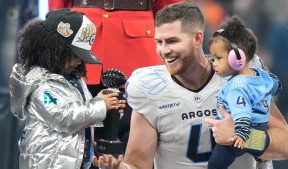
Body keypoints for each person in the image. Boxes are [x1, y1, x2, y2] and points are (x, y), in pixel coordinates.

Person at [92, 2, 288, 169]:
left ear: (197, 38)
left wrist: (243, 137)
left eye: (172, 41)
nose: (164, 50)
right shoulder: (149, 87)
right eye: (159, 42)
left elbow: (285, 144)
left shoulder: (238, 75)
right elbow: (137, 164)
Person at [48, 0, 184, 155]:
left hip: (137, 45)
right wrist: (57, 34)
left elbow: (170, 8)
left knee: (139, 142)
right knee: (76, 141)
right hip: (81, 38)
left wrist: (174, 39)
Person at [9, 9, 126, 169]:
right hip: (48, 164)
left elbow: (82, 113)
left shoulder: (73, 78)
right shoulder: (39, 84)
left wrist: (109, 109)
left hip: (75, 162)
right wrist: (100, 104)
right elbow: (63, 116)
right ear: (55, 49)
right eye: (75, 54)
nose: (79, 61)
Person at [207, 15, 282, 169]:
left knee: (214, 164)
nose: (213, 62)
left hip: (239, 133)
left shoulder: (236, 86)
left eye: (218, 58)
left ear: (237, 59)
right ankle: (260, 155)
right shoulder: (261, 74)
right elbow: (276, 86)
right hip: (261, 128)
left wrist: (240, 135)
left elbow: (242, 114)